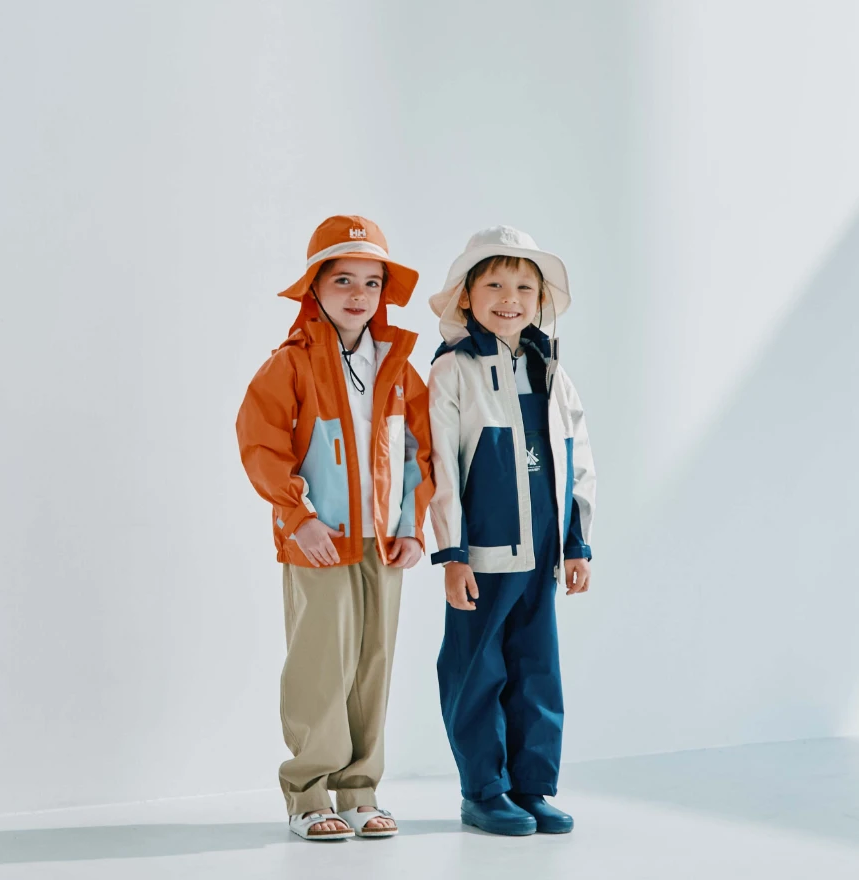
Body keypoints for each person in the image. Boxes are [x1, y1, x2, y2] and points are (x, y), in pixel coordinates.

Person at [236, 214, 434, 840]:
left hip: (383, 541)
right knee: (323, 663)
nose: (358, 294)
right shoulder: (290, 365)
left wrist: (411, 525)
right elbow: (262, 445)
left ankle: (359, 791)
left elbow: (419, 453)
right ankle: (308, 795)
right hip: (318, 540)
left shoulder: (396, 366)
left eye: (372, 282)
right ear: (314, 288)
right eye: (343, 279)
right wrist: (300, 519)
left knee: (373, 663)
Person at [426, 226, 597, 836]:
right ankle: (484, 790)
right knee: (477, 670)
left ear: (540, 299)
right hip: (484, 551)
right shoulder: (454, 370)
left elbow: (576, 459)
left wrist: (575, 543)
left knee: (536, 670)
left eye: (524, 287)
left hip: (543, 549)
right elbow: (441, 466)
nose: (510, 298)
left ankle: (532, 786)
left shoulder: (551, 371)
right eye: (495, 284)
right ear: (466, 296)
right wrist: (452, 553)